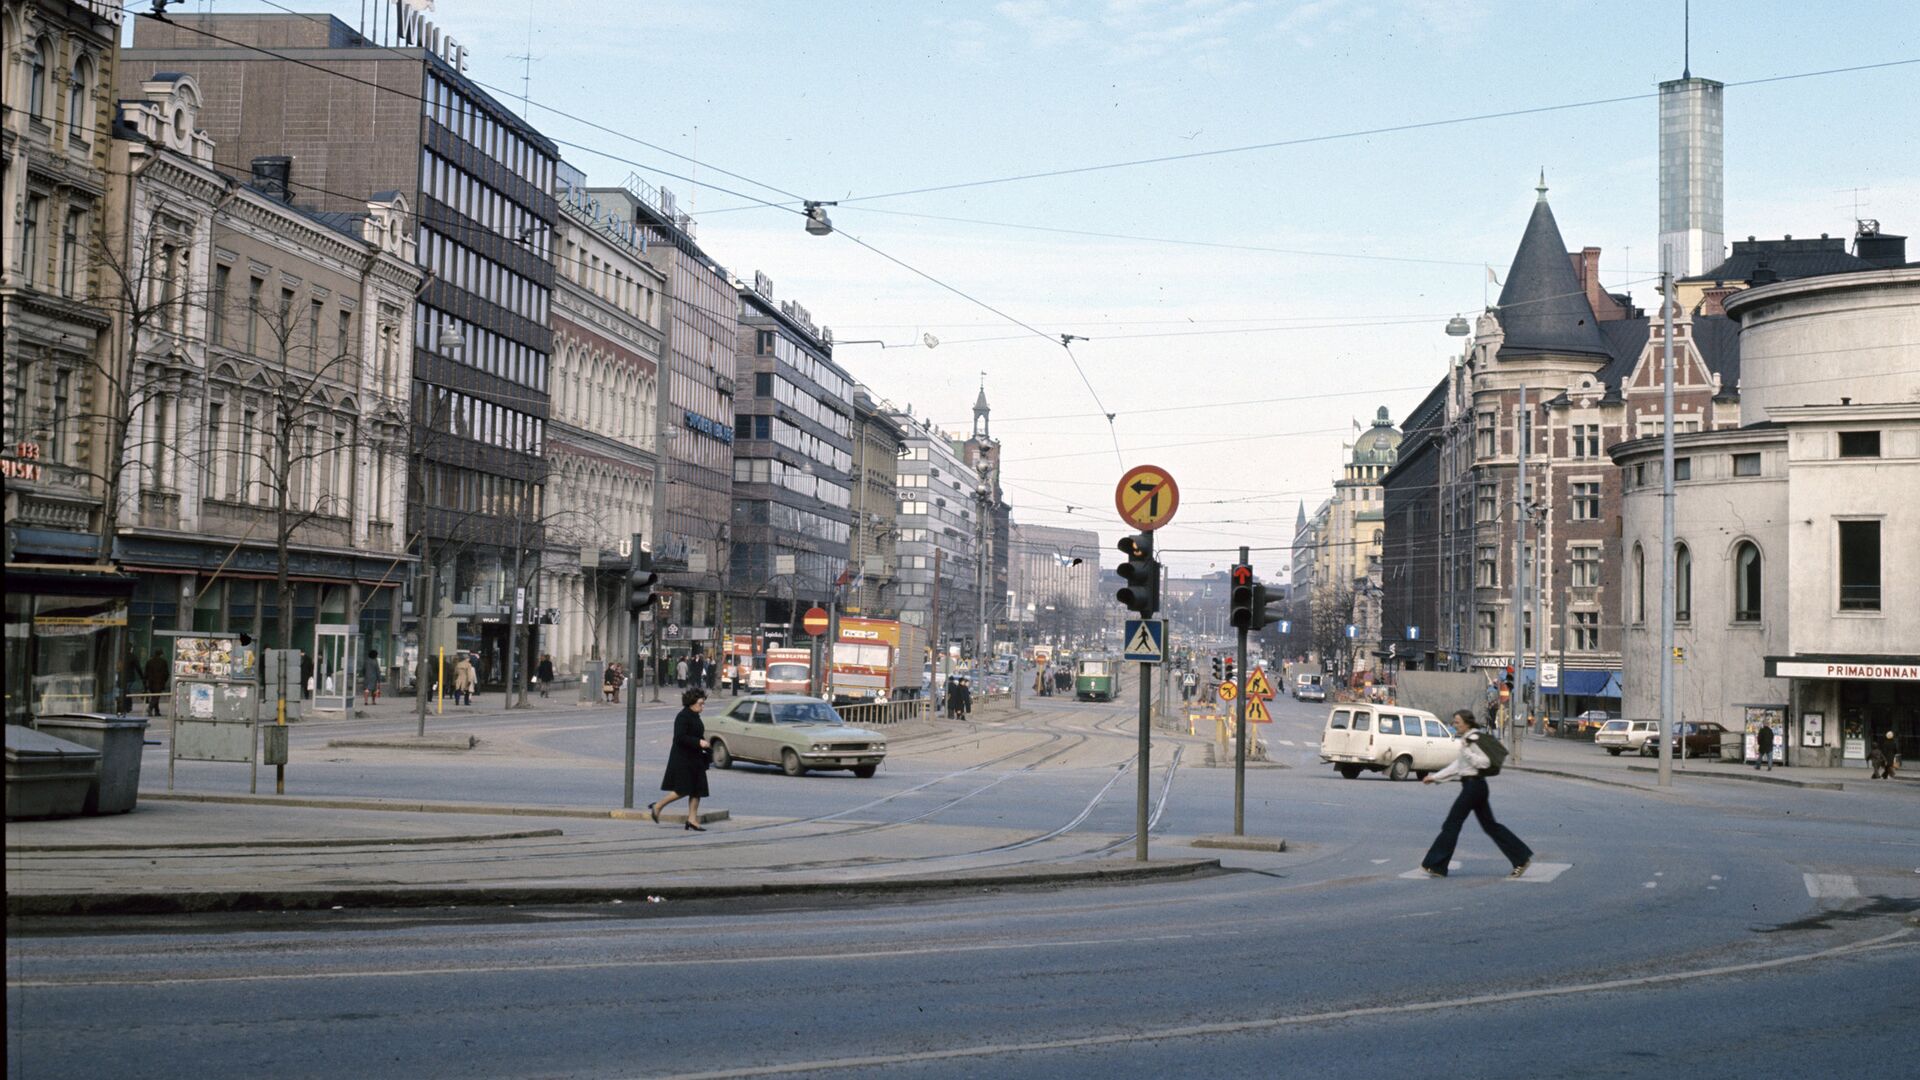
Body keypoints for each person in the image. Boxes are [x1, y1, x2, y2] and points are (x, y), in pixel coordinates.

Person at [1420, 709, 1532, 879]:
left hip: (1473, 787)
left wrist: (1468, 753)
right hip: (1475, 787)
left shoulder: (1473, 740)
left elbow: (1484, 762)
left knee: (1452, 823)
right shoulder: (1467, 739)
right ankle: (1521, 858)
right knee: (1490, 826)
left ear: (1467, 723)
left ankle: (1436, 865)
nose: (1454, 725)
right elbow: (1458, 766)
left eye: (1457, 722)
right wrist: (1435, 777)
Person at [647, 687, 712, 831]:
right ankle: (658, 806)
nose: (703, 706)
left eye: (703, 703)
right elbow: (680, 737)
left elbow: (696, 734)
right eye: (701, 703)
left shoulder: (695, 716)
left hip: (695, 757)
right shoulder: (683, 716)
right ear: (692, 703)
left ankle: (692, 819)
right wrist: (699, 742)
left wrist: (705, 746)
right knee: (683, 789)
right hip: (683, 758)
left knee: (697, 790)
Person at [143, 650, 169, 717]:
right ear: (161, 654)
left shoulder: (149, 661)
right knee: (156, 696)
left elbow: (146, 673)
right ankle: (150, 708)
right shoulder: (163, 662)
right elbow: (166, 673)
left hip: (151, 682)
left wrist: (145, 682)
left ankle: (157, 711)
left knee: (154, 696)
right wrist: (164, 681)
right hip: (159, 681)